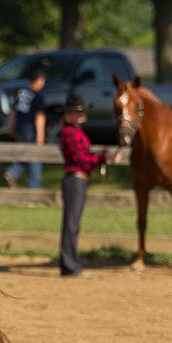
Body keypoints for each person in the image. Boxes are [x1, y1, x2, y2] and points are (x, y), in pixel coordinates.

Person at [59, 94, 121, 277]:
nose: (78, 115)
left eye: (80, 112)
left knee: (73, 224)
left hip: (79, 180)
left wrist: (102, 156)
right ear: (68, 115)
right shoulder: (70, 133)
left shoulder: (75, 132)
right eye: (74, 112)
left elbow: (85, 155)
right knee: (71, 224)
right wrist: (104, 158)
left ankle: (69, 263)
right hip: (75, 180)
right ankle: (69, 264)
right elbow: (82, 160)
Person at [4, 68, 47, 189]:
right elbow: (39, 116)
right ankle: (34, 188)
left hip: (20, 128)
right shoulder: (38, 96)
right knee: (34, 157)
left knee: (23, 154)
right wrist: (40, 135)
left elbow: (13, 111)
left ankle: (12, 172)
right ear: (38, 80)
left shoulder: (21, 92)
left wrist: (11, 127)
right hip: (31, 130)